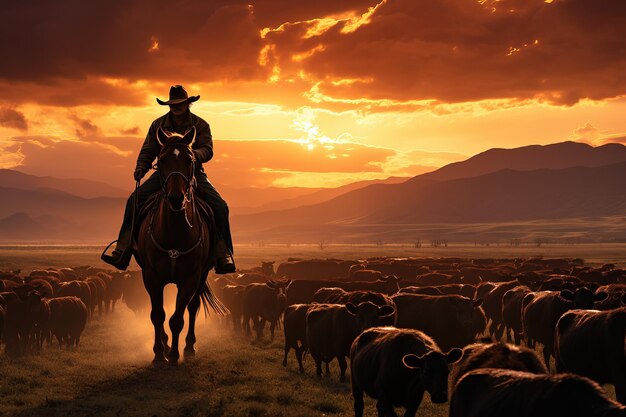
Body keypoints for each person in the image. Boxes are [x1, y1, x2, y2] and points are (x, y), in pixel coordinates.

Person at [101, 85, 236, 274]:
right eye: (173, 104)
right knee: (134, 200)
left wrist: (193, 155)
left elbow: (208, 149)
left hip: (193, 172)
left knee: (220, 207)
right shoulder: (158, 125)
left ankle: (223, 253)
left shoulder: (201, 125)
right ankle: (123, 248)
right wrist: (141, 166)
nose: (176, 107)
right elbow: (148, 149)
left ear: (187, 103)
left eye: (180, 103)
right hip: (164, 173)